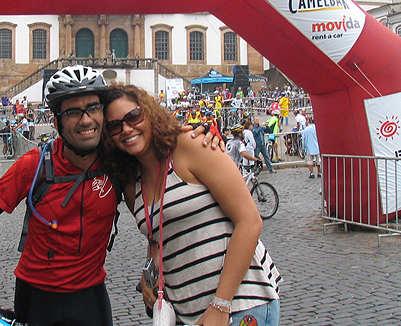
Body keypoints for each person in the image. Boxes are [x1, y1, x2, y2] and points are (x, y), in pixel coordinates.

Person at [0, 65, 219, 326]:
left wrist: (196, 132)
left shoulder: (118, 160)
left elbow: (159, 167)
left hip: (90, 296)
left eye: (93, 108)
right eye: (73, 112)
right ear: (56, 122)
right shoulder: (35, 165)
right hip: (36, 294)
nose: (85, 120)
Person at [103, 84, 281, 326]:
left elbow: (249, 221)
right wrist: (148, 275)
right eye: (114, 125)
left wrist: (221, 304)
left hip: (237, 305)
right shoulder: (132, 181)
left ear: (149, 113)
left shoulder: (190, 145)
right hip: (186, 313)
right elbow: (157, 239)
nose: (126, 128)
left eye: (133, 116)